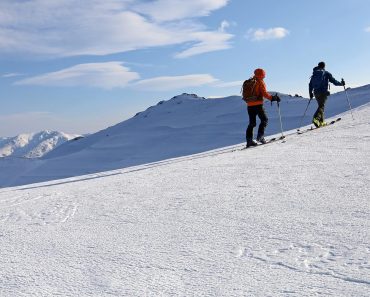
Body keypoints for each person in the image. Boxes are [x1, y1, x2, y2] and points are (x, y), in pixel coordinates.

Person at [242, 68, 280, 147]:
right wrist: (273, 98)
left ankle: (249, 141)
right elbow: (264, 94)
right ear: (262, 74)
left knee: (252, 124)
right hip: (258, 105)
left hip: (249, 105)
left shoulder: (250, 81)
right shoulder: (260, 82)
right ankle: (260, 136)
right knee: (264, 120)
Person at [309, 62, 345, 127]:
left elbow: (310, 84)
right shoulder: (326, 73)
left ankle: (321, 122)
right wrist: (341, 84)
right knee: (321, 106)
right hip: (323, 92)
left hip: (316, 93)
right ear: (324, 66)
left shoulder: (314, 74)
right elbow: (334, 82)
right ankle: (316, 118)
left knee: (321, 106)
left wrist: (310, 93)